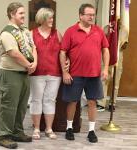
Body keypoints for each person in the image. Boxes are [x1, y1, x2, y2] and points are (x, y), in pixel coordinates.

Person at [60, 3, 110, 143]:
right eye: (89, 15)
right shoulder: (71, 31)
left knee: (92, 102)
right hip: (75, 74)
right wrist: (65, 72)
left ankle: (91, 131)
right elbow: (63, 52)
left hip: (94, 74)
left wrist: (105, 68)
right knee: (72, 102)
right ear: (80, 15)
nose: (91, 17)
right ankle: (69, 128)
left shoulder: (98, 31)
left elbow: (105, 50)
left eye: (93, 15)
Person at [0, 2, 37, 149]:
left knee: (21, 106)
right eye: (21, 13)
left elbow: (33, 47)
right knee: (9, 105)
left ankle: (17, 132)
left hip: (24, 73)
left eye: (24, 13)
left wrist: (34, 63)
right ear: (12, 14)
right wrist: (29, 64)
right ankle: (4, 135)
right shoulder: (7, 32)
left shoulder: (25, 31)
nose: (24, 16)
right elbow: (13, 53)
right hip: (10, 73)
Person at [29, 8, 69, 140]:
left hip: (54, 73)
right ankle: (36, 128)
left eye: (52, 17)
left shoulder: (57, 33)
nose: (52, 20)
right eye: (49, 18)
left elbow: (64, 52)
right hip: (37, 73)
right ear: (42, 19)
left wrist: (67, 61)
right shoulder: (31, 34)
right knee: (36, 100)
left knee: (50, 100)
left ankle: (49, 128)